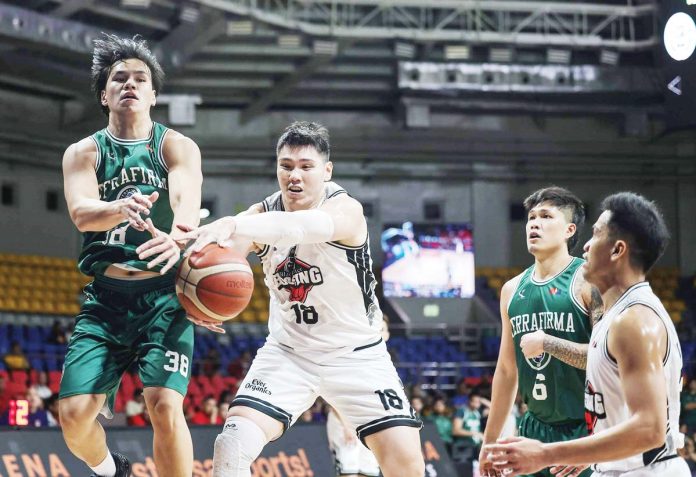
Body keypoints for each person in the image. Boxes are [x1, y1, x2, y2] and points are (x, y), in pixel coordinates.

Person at [153, 121, 424, 477]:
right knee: (231, 446)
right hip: (289, 354)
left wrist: (234, 224)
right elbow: (223, 256)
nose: (294, 175)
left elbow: (298, 227)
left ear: (326, 171)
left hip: (356, 355)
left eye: (306, 167)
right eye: (286, 166)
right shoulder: (260, 215)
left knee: (407, 467)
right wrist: (194, 295)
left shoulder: (346, 211)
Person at [59, 34, 202, 477]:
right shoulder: (84, 152)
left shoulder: (175, 146)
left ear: (154, 95)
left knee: (162, 404)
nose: (130, 84)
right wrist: (119, 207)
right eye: (119, 77)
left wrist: (178, 236)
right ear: (104, 94)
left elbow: (186, 201)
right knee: (74, 416)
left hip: (164, 296)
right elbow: (82, 214)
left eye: (141, 78)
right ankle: (110, 470)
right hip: (106, 300)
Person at [484, 192, 689, 476]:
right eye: (532, 217)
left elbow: (649, 429)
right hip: (606, 457)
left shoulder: (634, 321)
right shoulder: (619, 314)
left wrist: (549, 452)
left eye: (595, 235)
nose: (586, 246)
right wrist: (589, 449)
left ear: (617, 250)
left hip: (641, 468)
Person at [481, 187, 602, 477]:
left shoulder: (590, 281)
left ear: (569, 230)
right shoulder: (511, 289)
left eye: (546, 216)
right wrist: (489, 443)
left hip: (586, 427)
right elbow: (507, 371)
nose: (534, 223)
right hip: (532, 429)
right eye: (531, 217)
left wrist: (548, 343)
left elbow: (607, 360)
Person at [326, 317, 391, 477]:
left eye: (381, 329)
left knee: (368, 471)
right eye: (375, 329)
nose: (378, 333)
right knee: (348, 472)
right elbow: (333, 394)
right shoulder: (350, 355)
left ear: (387, 334)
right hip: (345, 421)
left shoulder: (385, 362)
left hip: (371, 422)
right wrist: (348, 427)